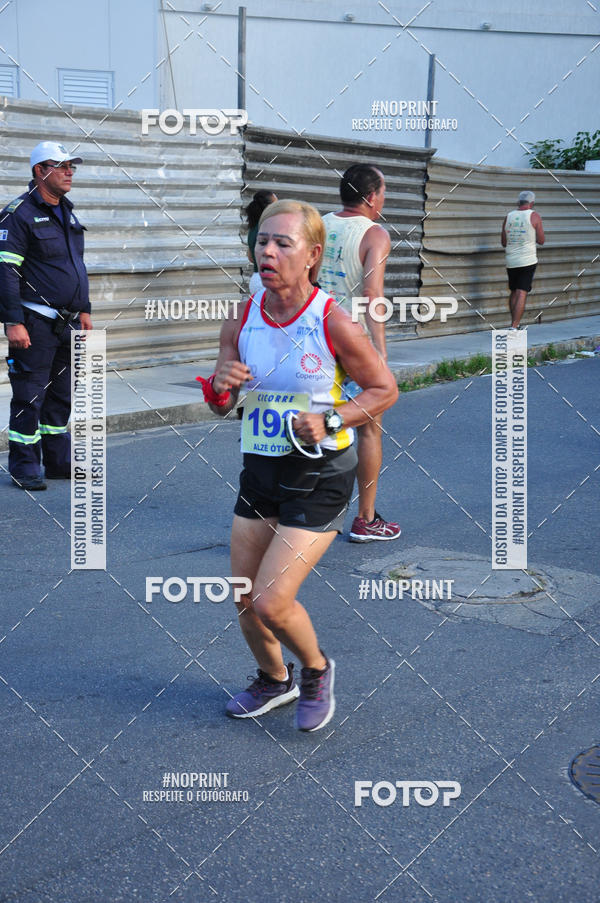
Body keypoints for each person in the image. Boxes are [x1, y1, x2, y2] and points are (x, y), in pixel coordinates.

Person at [198, 199, 397, 731]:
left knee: (271, 600)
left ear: (311, 255)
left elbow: (384, 390)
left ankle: (314, 669)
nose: (267, 251)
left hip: (321, 473)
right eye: (262, 240)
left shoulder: (331, 319)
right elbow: (221, 400)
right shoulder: (242, 315)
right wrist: (220, 390)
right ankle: (274, 679)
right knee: (244, 598)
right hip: (260, 470)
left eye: (282, 243)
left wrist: (332, 419)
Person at [0, 140, 92, 491]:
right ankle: (24, 465)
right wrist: (13, 321)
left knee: (62, 395)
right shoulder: (18, 214)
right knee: (29, 395)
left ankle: (57, 461)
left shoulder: (66, 210)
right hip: (34, 323)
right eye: (61, 165)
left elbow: (75, 266)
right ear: (40, 171)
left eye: (72, 166)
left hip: (68, 322)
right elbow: (5, 271)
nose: (69, 172)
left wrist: (85, 310)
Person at [319, 163, 400, 542]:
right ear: (371, 197)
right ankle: (365, 519)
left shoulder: (318, 223)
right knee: (368, 427)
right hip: (354, 340)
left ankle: (293, 511)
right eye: (383, 193)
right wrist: (380, 352)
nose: (384, 199)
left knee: (311, 415)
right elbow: (373, 295)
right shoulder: (375, 234)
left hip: (315, 334)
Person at [501, 190, 545, 329]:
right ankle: (514, 326)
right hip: (527, 260)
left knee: (514, 291)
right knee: (522, 292)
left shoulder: (508, 216)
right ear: (532, 203)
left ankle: (513, 323)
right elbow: (541, 240)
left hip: (511, 260)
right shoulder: (534, 216)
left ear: (518, 202)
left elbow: (503, 242)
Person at [245, 189, 277, 295]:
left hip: (255, 279)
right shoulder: (271, 227)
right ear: (268, 207)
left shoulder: (252, 228)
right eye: (276, 204)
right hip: (267, 280)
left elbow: (250, 257)